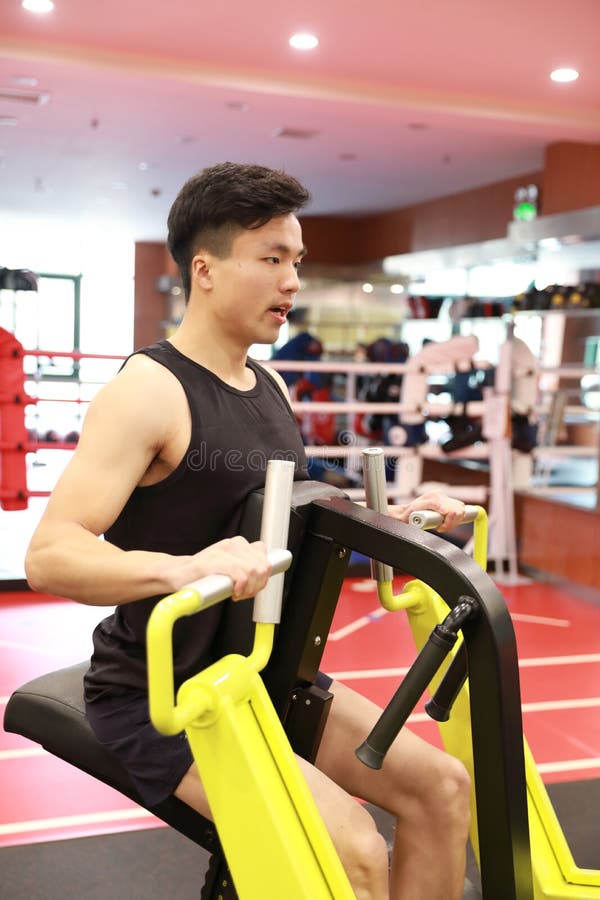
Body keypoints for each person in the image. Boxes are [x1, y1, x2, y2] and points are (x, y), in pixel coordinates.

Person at [25, 162, 471, 900]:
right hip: (167, 691)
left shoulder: (270, 385)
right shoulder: (149, 391)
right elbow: (50, 554)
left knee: (444, 789)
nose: (291, 281)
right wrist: (181, 568)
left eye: (296, 261)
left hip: (264, 670)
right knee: (353, 852)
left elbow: (279, 510)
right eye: (271, 259)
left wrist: (389, 522)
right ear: (204, 270)